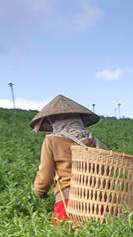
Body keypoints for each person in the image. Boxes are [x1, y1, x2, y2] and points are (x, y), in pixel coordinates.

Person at [30, 94, 105, 224]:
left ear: (54, 122)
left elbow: (45, 172)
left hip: (68, 198)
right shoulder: (98, 143)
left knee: (67, 235)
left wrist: (39, 191)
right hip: (98, 199)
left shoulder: (52, 140)